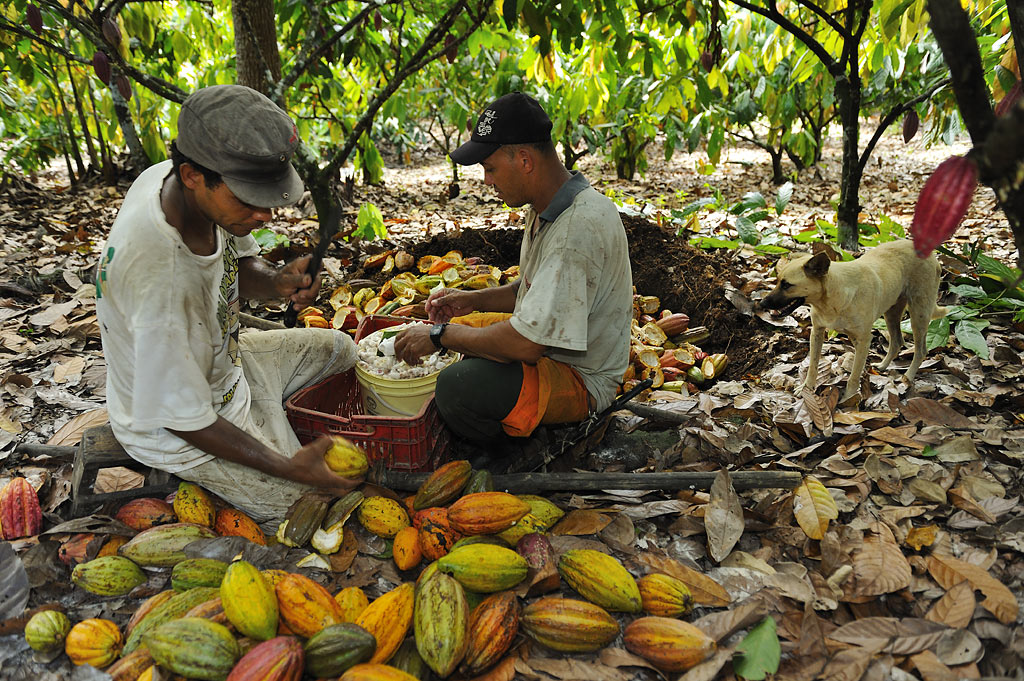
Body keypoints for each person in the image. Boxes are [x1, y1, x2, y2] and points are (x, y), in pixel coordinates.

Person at [95, 84, 360, 523]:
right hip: (179, 426)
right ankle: (271, 446)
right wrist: (285, 466)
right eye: (249, 200)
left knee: (342, 351)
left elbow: (238, 264)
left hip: (228, 367)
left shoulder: (185, 185)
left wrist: (276, 283)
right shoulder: (159, 275)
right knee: (309, 512)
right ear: (193, 176)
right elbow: (184, 419)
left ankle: (271, 419)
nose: (265, 215)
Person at [394, 92, 632, 457]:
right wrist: (468, 302)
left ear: (524, 161)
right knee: (467, 335)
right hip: (550, 349)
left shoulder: (576, 229)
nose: (487, 181)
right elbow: (533, 290)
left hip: (581, 380)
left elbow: (527, 344)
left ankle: (519, 452)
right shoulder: (547, 206)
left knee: (457, 386)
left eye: (490, 169)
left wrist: (441, 335)